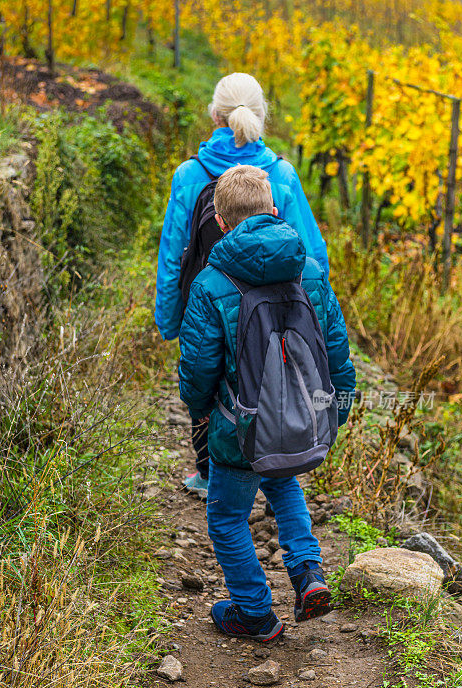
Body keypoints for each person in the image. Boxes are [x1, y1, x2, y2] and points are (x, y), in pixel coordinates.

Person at [178, 165, 356, 642]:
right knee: (283, 482)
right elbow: (336, 352)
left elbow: (199, 369)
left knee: (227, 517)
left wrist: (200, 411)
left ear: (219, 222)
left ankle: (254, 612)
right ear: (275, 212)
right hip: (298, 417)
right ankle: (308, 574)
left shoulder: (212, 283)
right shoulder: (311, 271)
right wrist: (332, 411)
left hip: (240, 428)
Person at [156, 72, 329, 499]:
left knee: (208, 384)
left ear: (214, 114)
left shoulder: (190, 173)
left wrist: (169, 318)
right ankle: (276, 475)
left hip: (207, 303)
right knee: (266, 383)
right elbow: (312, 252)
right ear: (261, 114)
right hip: (275, 314)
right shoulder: (281, 174)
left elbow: (173, 252)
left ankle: (209, 473)